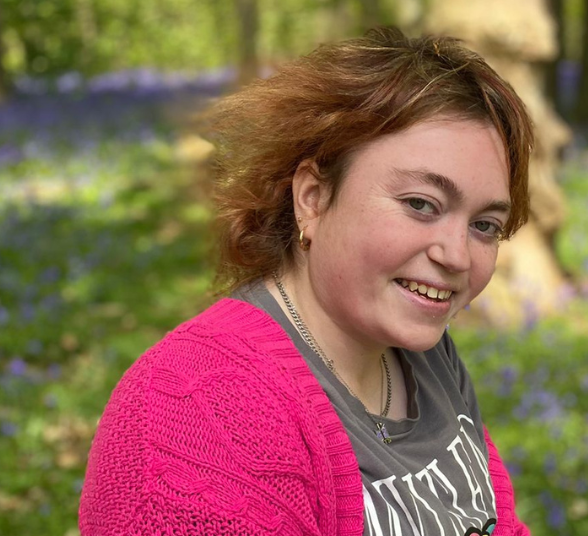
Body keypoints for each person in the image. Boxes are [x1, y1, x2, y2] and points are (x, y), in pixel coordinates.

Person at [79, 27, 534, 536]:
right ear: (313, 198)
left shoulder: (426, 358)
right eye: (420, 204)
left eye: (484, 226)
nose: (456, 256)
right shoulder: (201, 412)